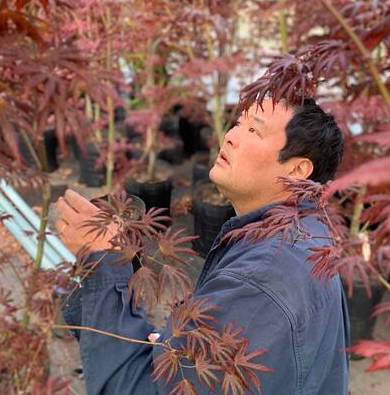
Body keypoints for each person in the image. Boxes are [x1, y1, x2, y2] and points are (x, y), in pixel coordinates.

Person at [56, 97, 350, 395]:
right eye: (238, 124)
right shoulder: (309, 233)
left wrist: (103, 257)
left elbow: (135, 388)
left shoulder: (261, 280)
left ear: (298, 169)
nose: (231, 136)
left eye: (253, 131)